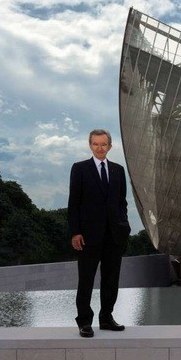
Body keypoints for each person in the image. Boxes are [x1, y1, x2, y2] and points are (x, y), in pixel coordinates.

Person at [68, 129, 131, 338]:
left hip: (114, 235)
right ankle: (84, 322)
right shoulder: (80, 169)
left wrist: (124, 225)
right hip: (88, 235)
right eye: (95, 144)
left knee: (111, 279)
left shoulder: (118, 170)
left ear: (110, 146)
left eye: (103, 144)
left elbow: (122, 202)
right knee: (86, 280)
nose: (99, 148)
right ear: (90, 145)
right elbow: (73, 203)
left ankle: (106, 318)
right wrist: (75, 232)